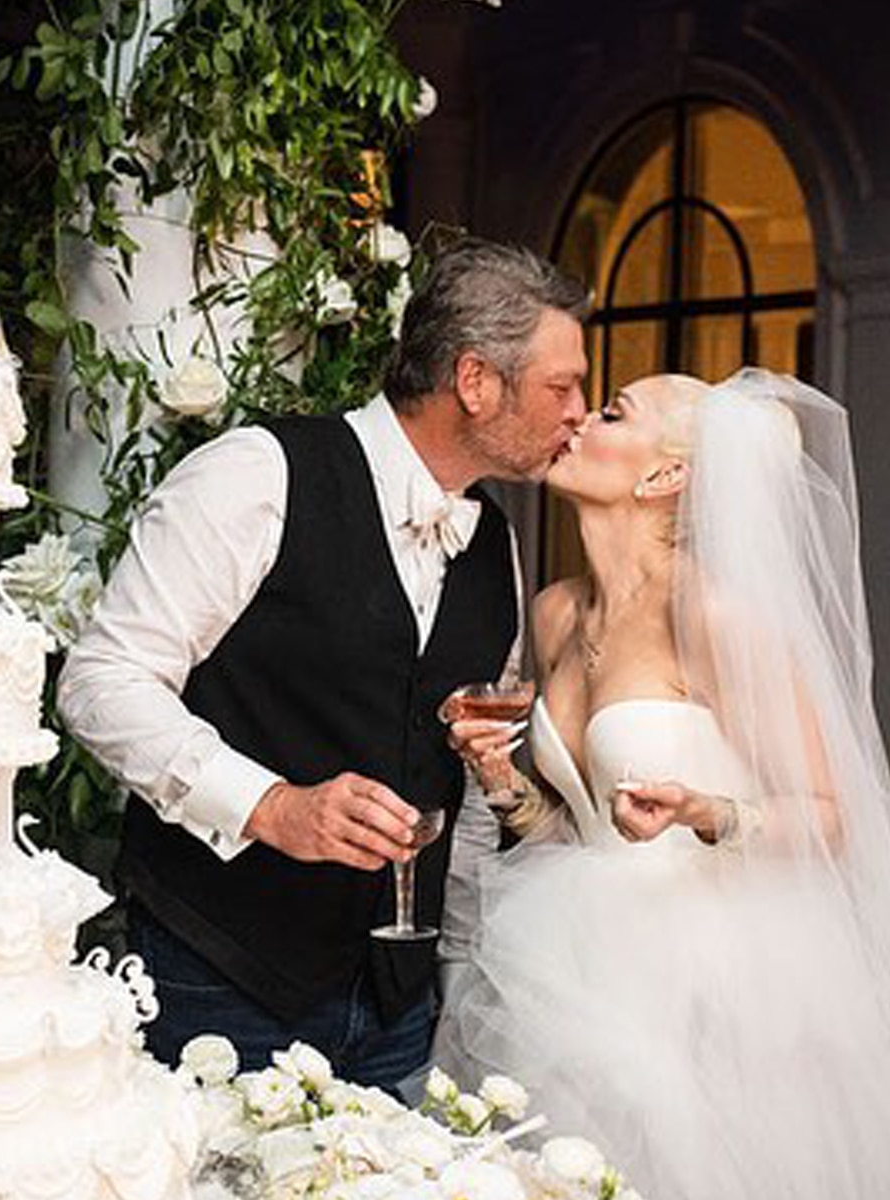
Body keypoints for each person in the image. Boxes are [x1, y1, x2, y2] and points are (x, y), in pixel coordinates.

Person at [57, 239, 589, 1091]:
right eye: (562, 387)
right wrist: (268, 805)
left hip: (399, 1010)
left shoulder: (495, 541)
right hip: (220, 979)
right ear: (476, 380)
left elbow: (464, 786)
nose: (578, 413)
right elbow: (101, 679)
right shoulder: (255, 475)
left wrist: (451, 975)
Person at [435, 369, 890, 1199]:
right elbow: (575, 831)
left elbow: (833, 817)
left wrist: (706, 810)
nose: (579, 420)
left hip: (704, 983)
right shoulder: (553, 612)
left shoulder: (712, 616)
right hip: (567, 958)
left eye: (613, 412)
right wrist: (502, 780)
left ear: (664, 475)